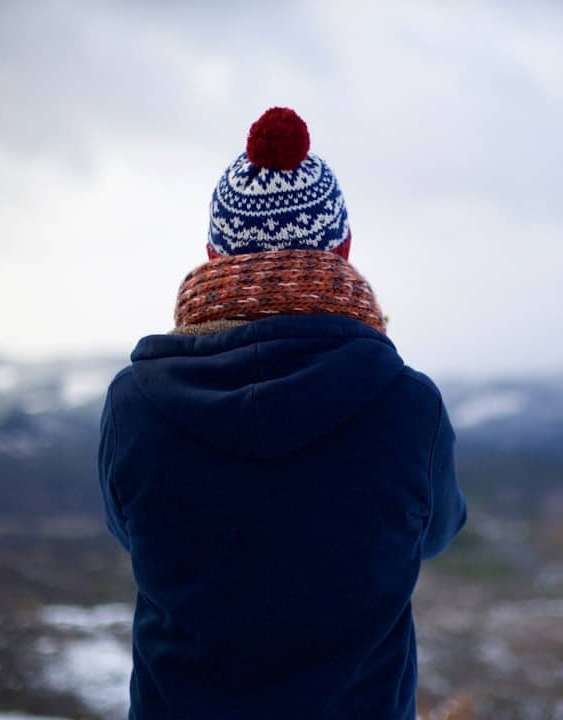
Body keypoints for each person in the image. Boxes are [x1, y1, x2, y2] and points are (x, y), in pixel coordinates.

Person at [97, 107, 467, 720]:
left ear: (213, 254)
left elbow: (128, 531)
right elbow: (433, 534)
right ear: (343, 249)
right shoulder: (410, 405)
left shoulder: (133, 403)